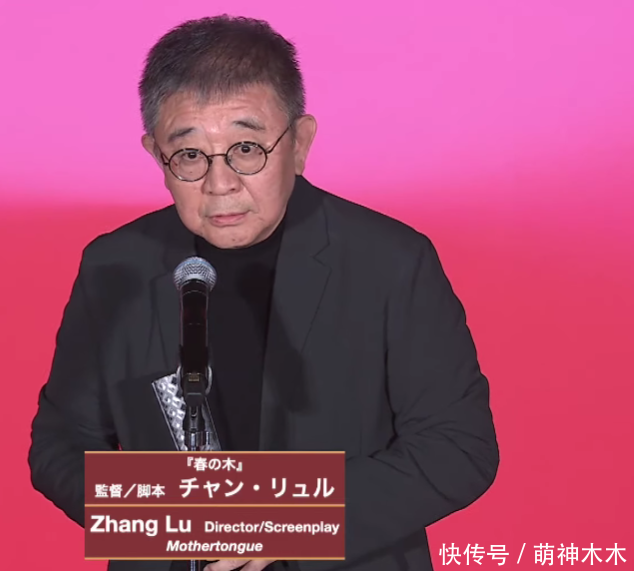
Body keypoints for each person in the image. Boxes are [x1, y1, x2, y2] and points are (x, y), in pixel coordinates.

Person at [28, 14, 499, 571]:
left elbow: (458, 448)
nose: (220, 183)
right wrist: (171, 520)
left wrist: (279, 520)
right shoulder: (114, 265)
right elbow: (61, 444)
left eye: (248, 148)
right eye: (190, 155)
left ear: (299, 143)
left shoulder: (392, 261)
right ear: (157, 155)